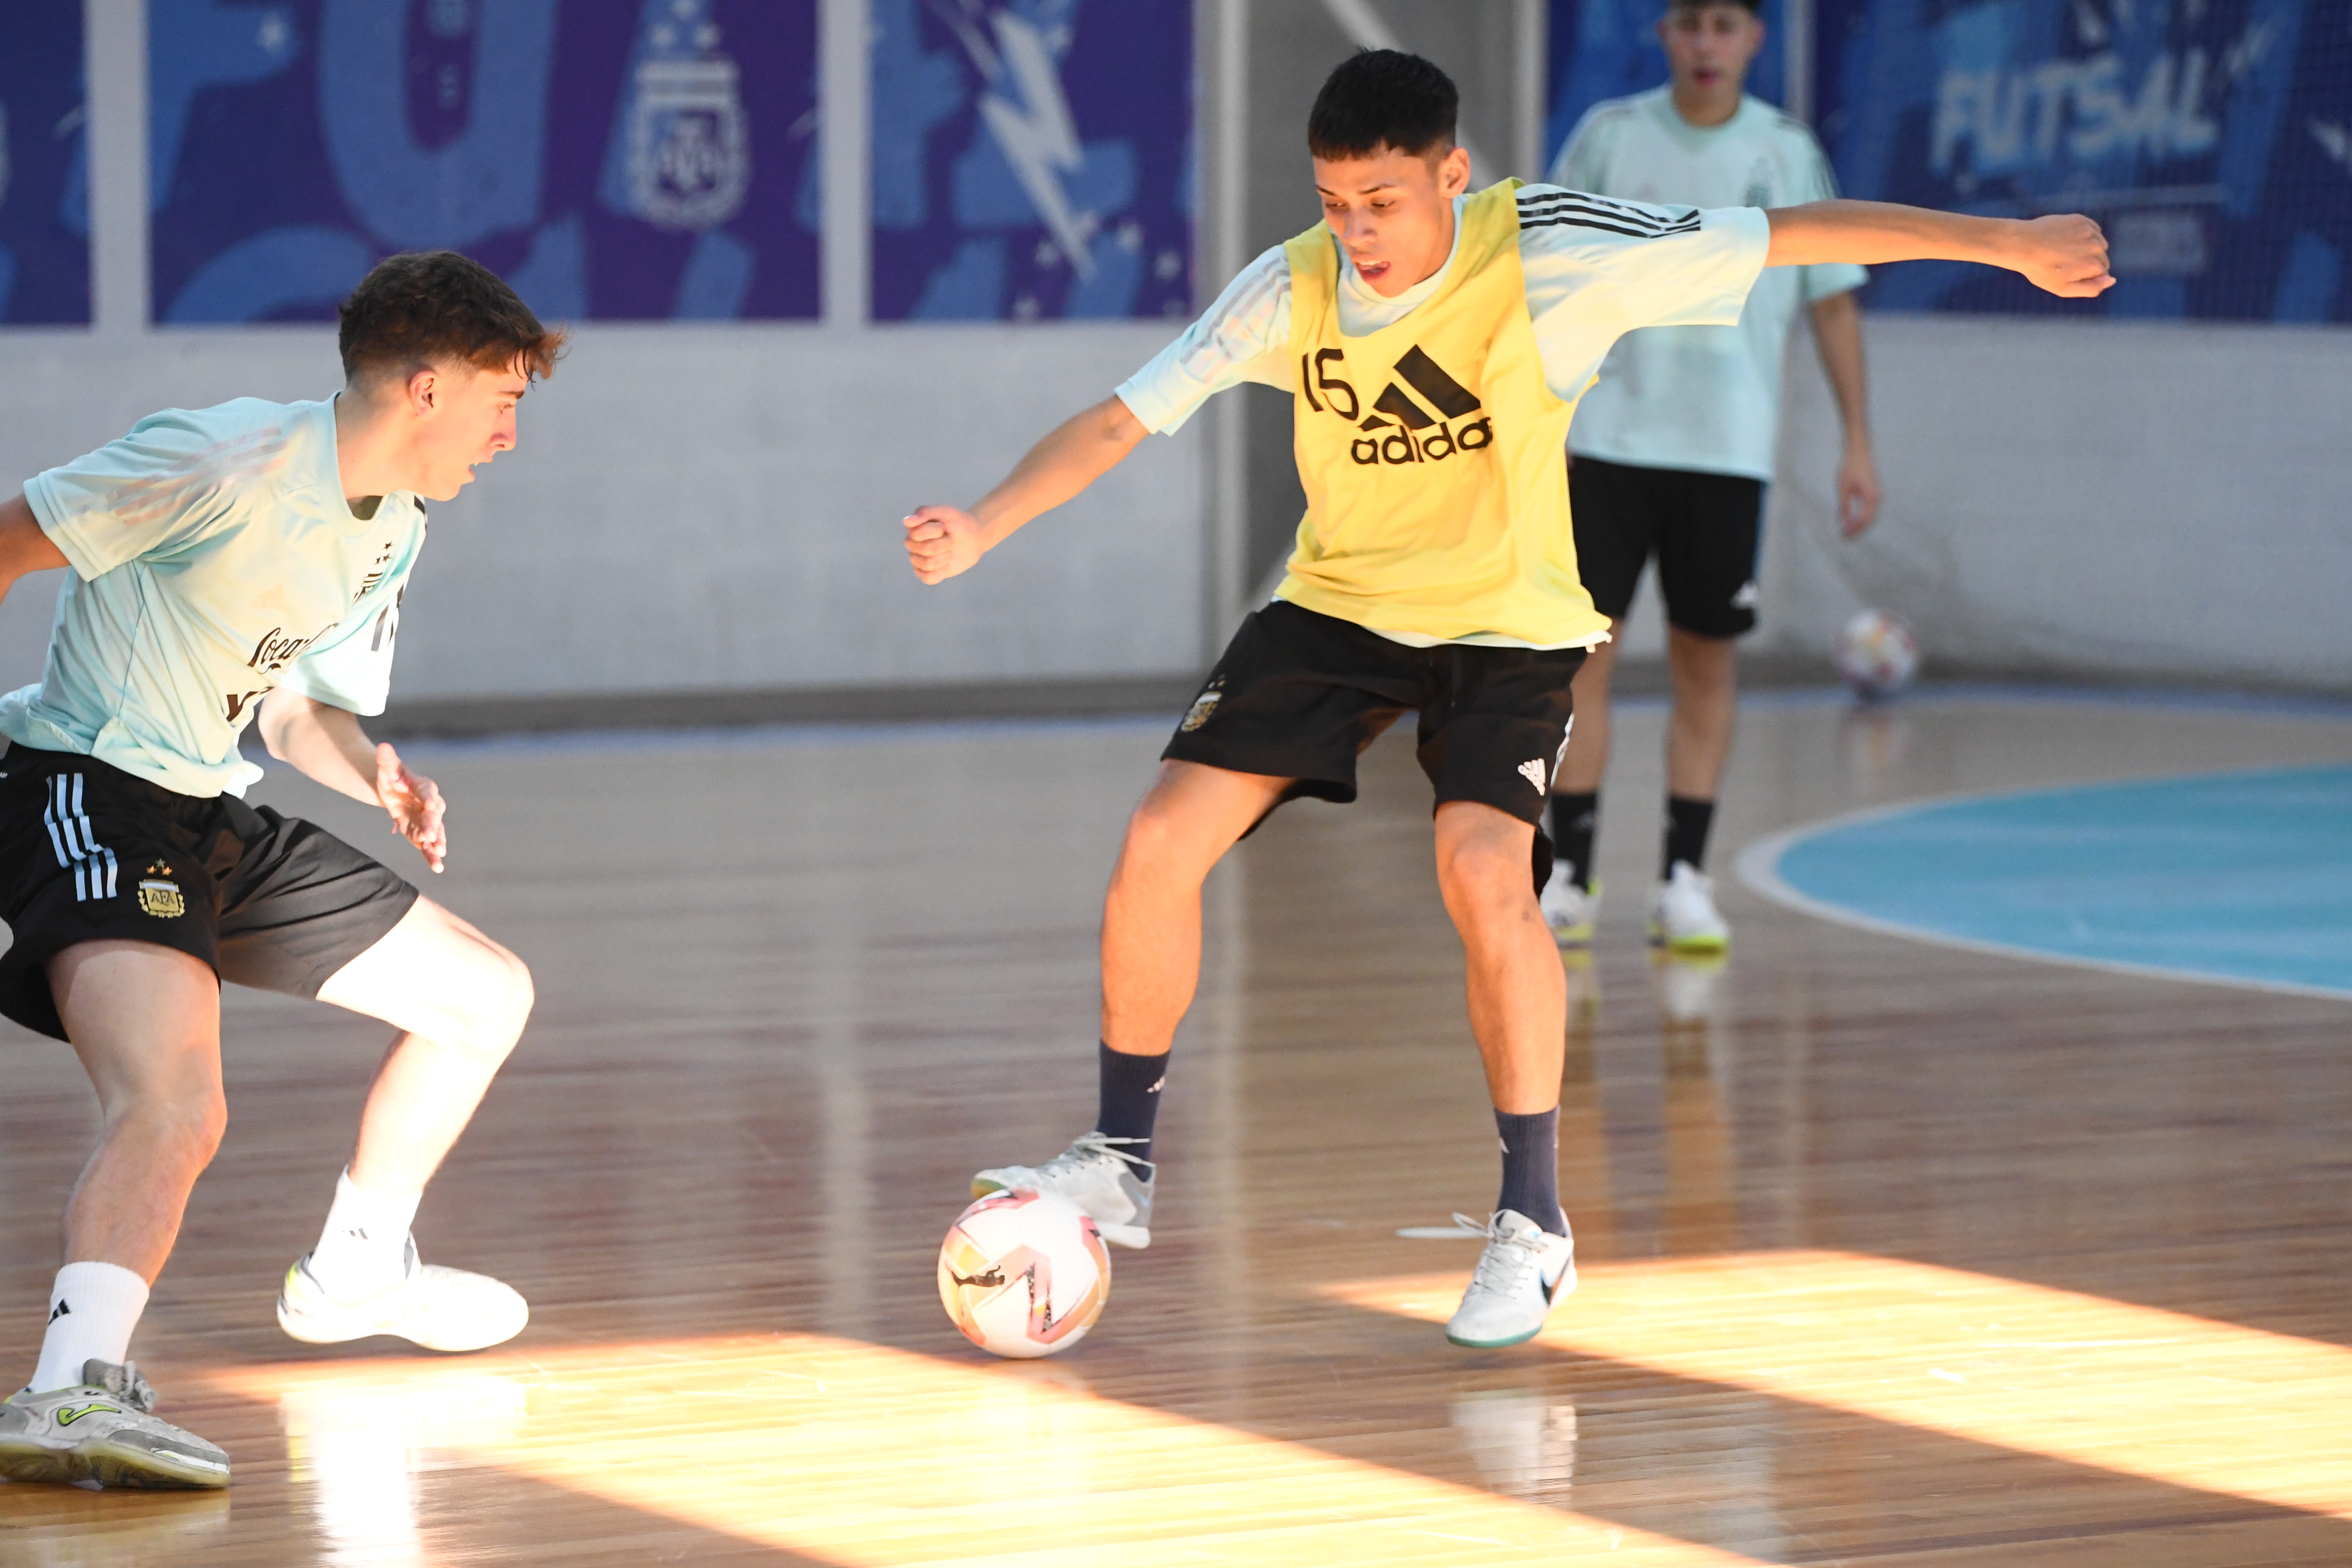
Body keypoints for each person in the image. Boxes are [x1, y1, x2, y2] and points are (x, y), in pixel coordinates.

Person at [901, 50, 2107, 1349]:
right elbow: (1120, 420)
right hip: (1339, 604)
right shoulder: (1292, 284)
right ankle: (1118, 1159)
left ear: (1453, 177)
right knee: (1158, 838)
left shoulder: (1551, 253)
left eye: (1382, 201)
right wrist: (985, 523)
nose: (1356, 231)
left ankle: (1533, 1224)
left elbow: (1791, 235)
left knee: (1484, 872)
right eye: (1334, 202)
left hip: (1508, 623)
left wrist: (2007, 244)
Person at [0, 251, 555, 1489]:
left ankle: (358, 1265)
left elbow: (299, 708)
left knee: (485, 996)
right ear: (426, 387)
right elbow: (9, 543)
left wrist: (373, 777)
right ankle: (68, 1391)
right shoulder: (221, 458)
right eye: (503, 401)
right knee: (176, 1102)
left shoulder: (392, 527)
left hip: (206, 805)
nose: (509, 437)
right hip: (84, 785)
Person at [1541, 0, 1878, 951]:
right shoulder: (1610, 137)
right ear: (1664, 34)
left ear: (1754, 39)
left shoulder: (1787, 151)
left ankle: (1685, 878)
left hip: (1726, 449)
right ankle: (1570, 872)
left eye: (1724, 25)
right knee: (1581, 660)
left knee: (1706, 662)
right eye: (1689, 23)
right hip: (1608, 440)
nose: (1705, 44)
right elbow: (1545, 279)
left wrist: (1858, 440)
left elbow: (1833, 302)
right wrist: (1541, 417)